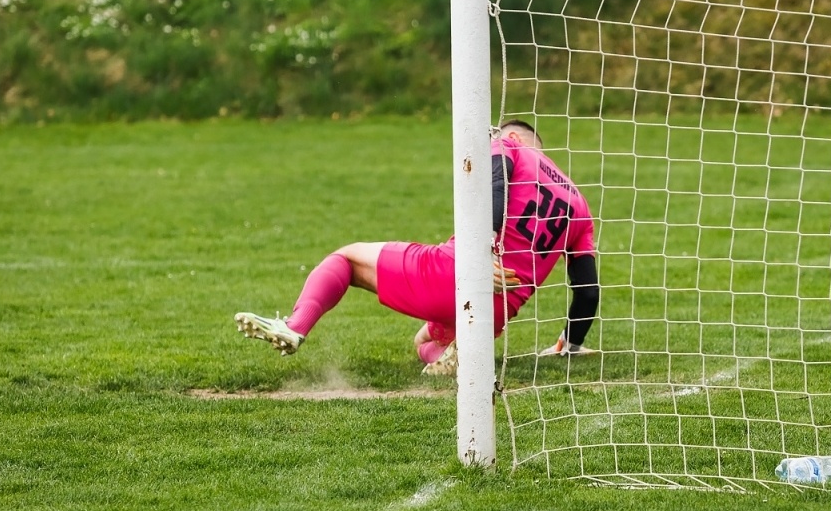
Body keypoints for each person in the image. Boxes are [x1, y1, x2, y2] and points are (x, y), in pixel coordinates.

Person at [233, 120, 599, 372]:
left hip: (456, 274)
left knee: (346, 258)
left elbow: (496, 183)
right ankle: (452, 358)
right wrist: (571, 343)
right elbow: (587, 292)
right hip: (496, 312)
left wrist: (484, 250)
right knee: (422, 339)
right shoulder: (579, 203)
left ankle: (295, 326)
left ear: (512, 136)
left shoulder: (508, 146)